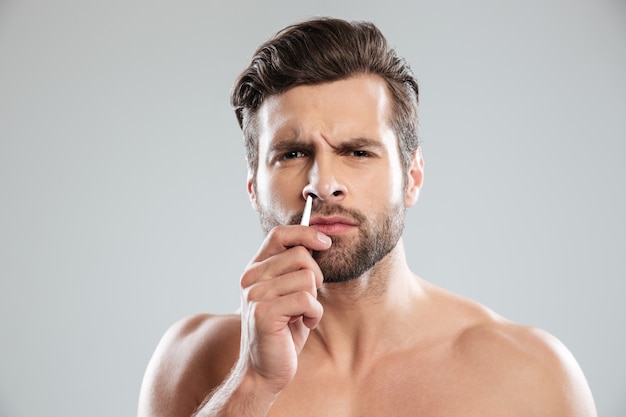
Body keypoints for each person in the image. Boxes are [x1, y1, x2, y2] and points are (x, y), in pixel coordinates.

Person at [137, 17, 597, 417]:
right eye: (292, 153)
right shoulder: (190, 361)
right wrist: (252, 384)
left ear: (412, 178)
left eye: (358, 152)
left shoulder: (533, 375)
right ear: (254, 188)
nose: (323, 182)